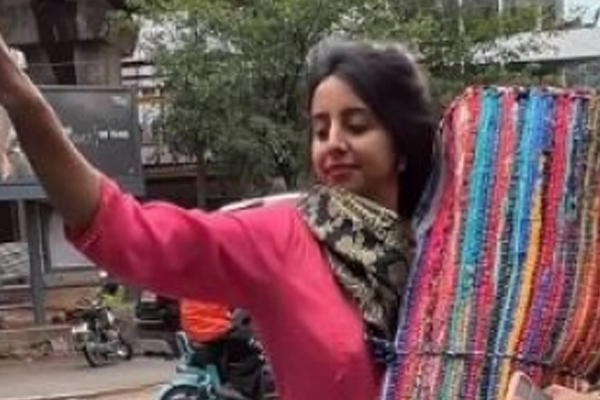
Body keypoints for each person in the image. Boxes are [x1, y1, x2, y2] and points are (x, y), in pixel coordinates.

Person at [0, 29, 592, 400]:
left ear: (402, 141)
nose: (333, 143)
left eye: (356, 125)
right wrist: (24, 102)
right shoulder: (282, 236)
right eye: (319, 128)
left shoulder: (471, 254)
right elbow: (126, 231)